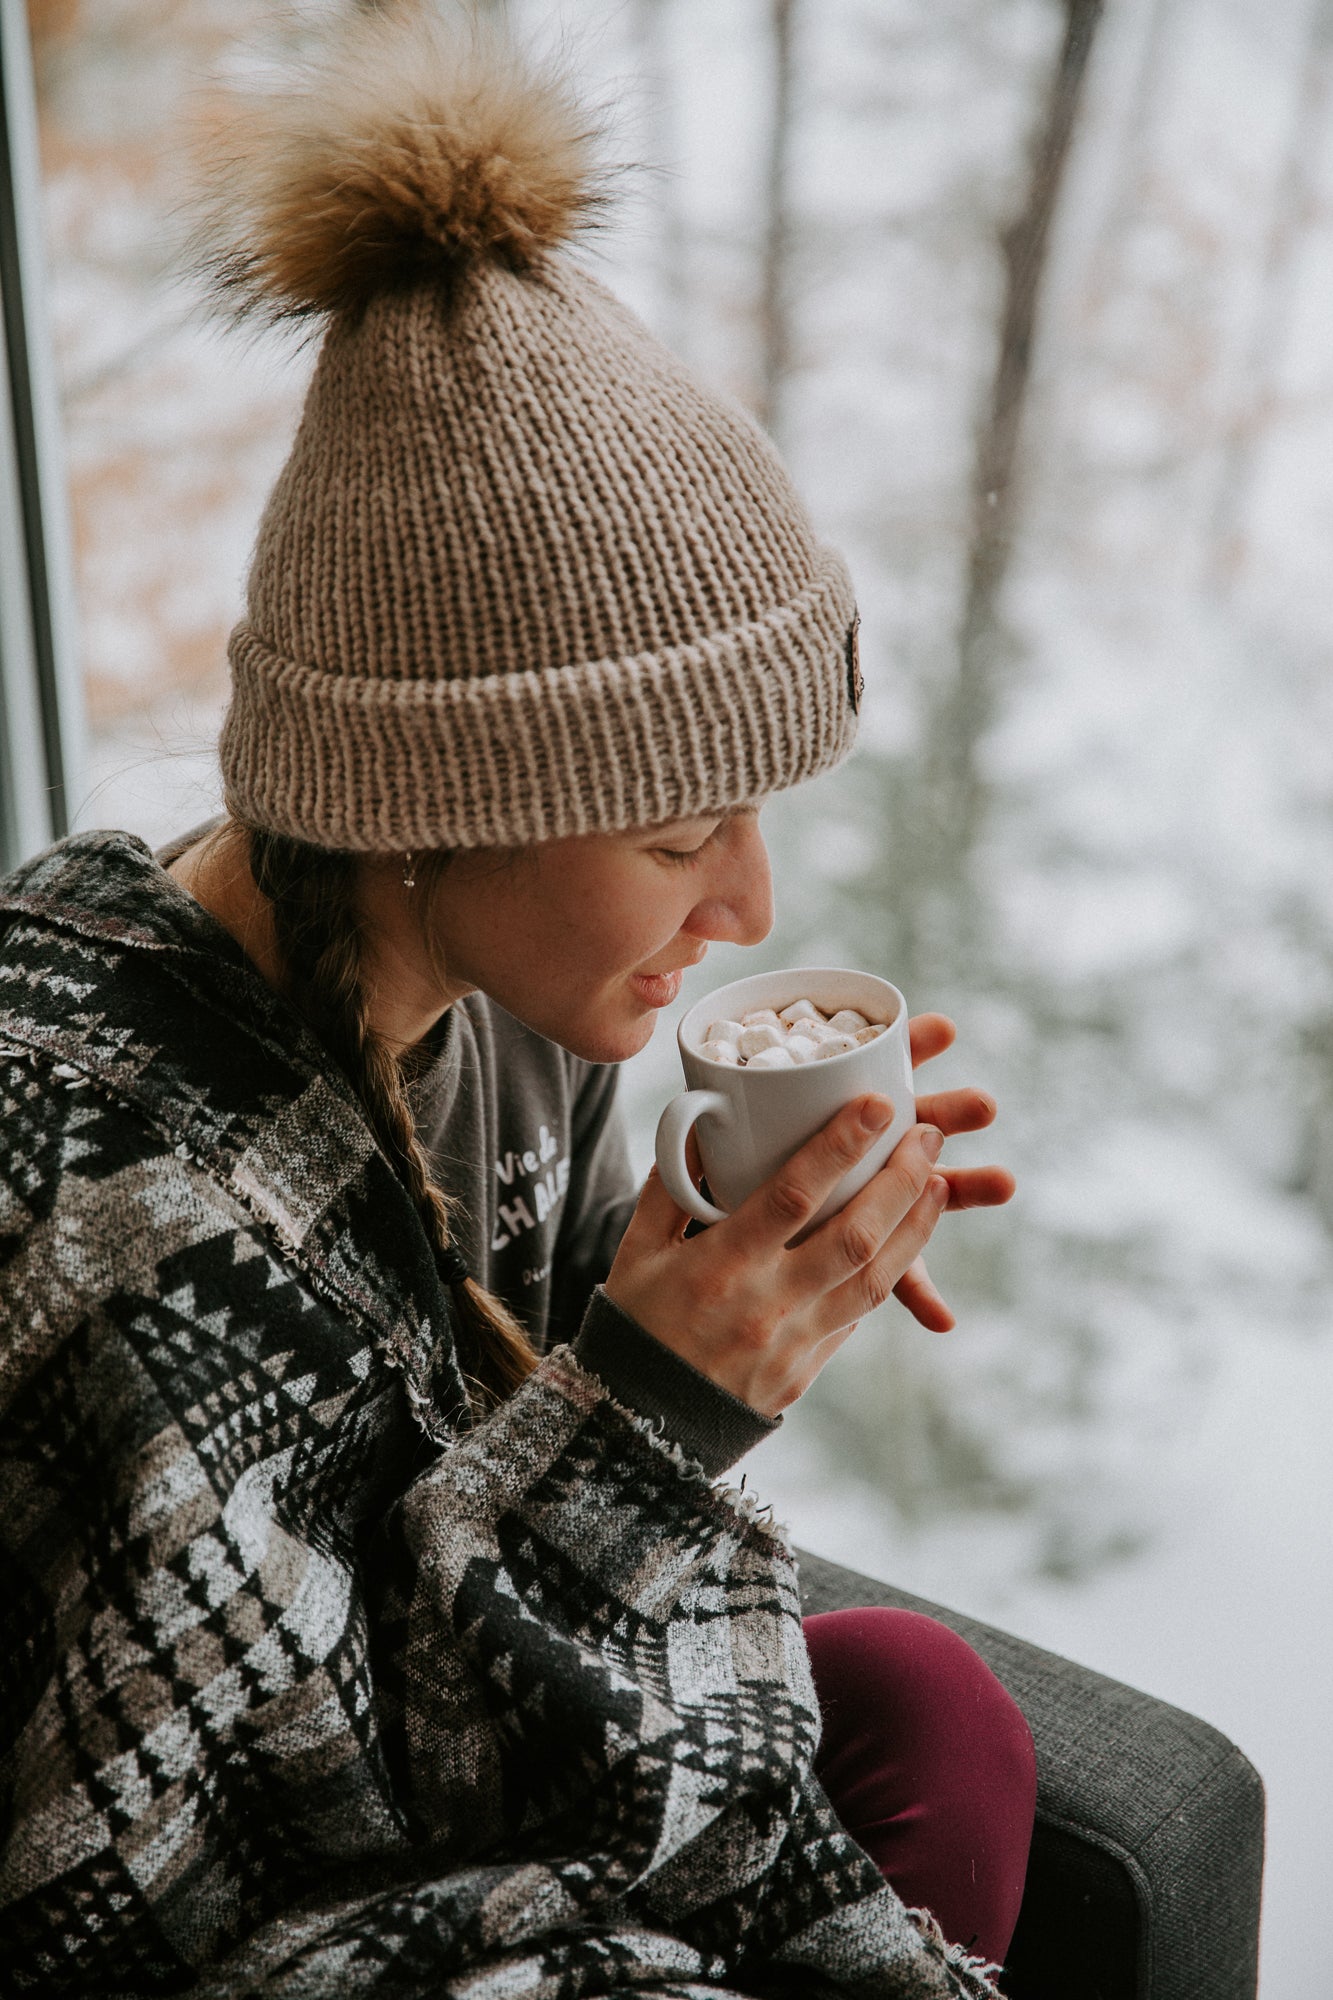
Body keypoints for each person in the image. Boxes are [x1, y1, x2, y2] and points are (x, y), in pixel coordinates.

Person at [0, 12, 1032, 1996]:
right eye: (673, 837)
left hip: (409, 1796)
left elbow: (464, 1553)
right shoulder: (130, 1217)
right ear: (424, 809)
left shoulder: (505, 1024)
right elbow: (214, 1885)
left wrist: (711, 1291)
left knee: (922, 1702)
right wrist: (652, 1419)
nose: (749, 901)